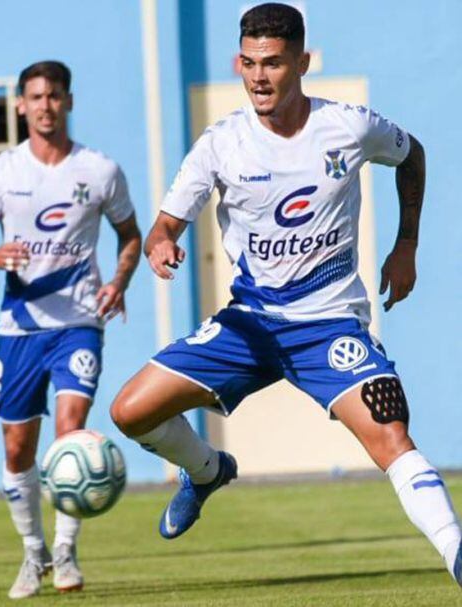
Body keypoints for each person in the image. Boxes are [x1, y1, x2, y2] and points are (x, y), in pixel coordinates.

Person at [108, 2, 461, 589]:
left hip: (329, 328)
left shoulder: (349, 127)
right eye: (248, 63)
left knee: (392, 434)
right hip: (249, 325)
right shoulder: (221, 143)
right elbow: (166, 224)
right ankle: (206, 470)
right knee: (129, 412)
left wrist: (407, 247)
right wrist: (161, 244)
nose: (258, 78)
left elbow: (412, 154)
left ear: (302, 61)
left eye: (272, 63)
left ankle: (455, 554)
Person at [0, 60, 142, 599]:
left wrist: (119, 281)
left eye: (55, 96)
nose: (45, 106)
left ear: (69, 102)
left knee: (70, 431)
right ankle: (33, 553)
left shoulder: (99, 170)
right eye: (35, 97)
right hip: (19, 327)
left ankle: (65, 551)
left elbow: (130, 236)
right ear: (21, 105)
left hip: (78, 323)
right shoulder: (1, 172)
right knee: (18, 448)